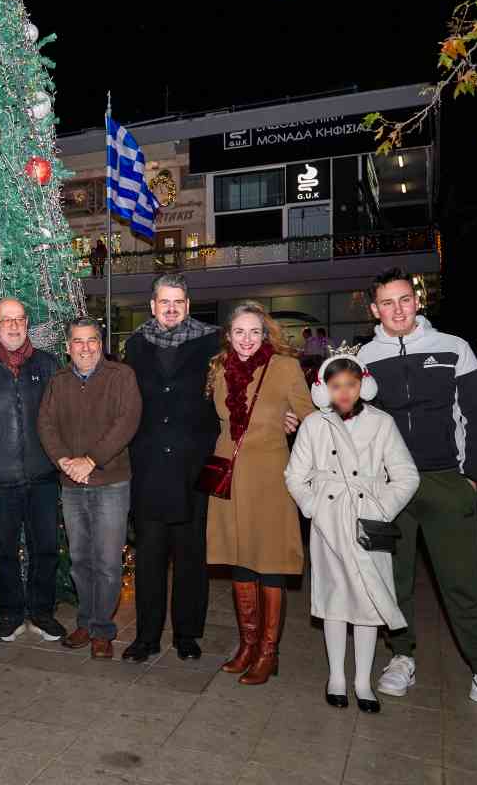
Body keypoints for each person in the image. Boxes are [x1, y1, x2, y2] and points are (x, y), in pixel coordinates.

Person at [358, 268, 477, 721]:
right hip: (388, 487)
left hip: (445, 481)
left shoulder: (453, 348)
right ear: (375, 310)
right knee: (392, 581)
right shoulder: (364, 357)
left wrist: (471, 478)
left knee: (462, 582)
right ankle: (403, 656)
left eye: (404, 300)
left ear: (417, 301)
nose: (397, 309)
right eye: (387, 303)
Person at [285, 353, 419, 713]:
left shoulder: (382, 423)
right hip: (329, 522)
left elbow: (407, 475)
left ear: (363, 385)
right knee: (334, 600)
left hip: (368, 522)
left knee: (369, 601)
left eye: (351, 385)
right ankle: (337, 677)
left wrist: (381, 509)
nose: (344, 393)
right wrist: (314, 507)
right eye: (336, 386)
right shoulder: (314, 425)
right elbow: (295, 475)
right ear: (324, 390)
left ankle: (363, 680)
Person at [207, 301, 314, 685]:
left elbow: (311, 418)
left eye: (255, 331)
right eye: (239, 332)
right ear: (229, 335)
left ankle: (269, 651)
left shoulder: (284, 367)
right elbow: (216, 421)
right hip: (230, 477)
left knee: (270, 563)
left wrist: (292, 423)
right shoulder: (219, 369)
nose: (247, 339)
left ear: (266, 333)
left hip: (270, 477)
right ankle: (247, 645)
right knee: (239, 560)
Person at [123, 273, 220, 662]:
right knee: (149, 557)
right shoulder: (135, 344)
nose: (171, 308)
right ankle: (146, 637)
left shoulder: (211, 342)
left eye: (178, 302)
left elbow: (234, 389)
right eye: (164, 302)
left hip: (193, 465)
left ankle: (186, 635)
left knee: (190, 555)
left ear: (188, 305)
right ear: (152, 305)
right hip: (147, 467)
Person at [38, 317, 141, 660]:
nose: (85, 347)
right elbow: (46, 424)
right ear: (68, 348)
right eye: (78, 341)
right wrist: (64, 461)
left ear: (101, 343)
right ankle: (86, 621)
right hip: (71, 484)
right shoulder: (59, 381)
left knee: (109, 561)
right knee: (81, 559)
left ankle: (102, 629)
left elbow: (127, 421)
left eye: (91, 340)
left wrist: (91, 460)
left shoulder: (121, 376)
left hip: (110, 482)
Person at [0, 298, 66, 644]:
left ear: (27, 323)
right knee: (4, 549)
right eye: (6, 320)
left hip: (43, 474)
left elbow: (59, 417)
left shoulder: (47, 363)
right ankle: (11, 613)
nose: (13, 326)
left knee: (45, 547)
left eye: (19, 320)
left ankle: (42, 612)